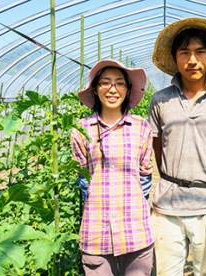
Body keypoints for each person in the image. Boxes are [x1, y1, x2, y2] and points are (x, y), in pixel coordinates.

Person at [149, 18, 206, 275]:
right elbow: (158, 147)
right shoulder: (160, 100)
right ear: (175, 58)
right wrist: (175, 174)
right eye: (185, 52)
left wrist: (202, 173)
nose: (192, 60)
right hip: (167, 205)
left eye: (200, 52)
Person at [71, 59, 154, 276]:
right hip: (96, 229)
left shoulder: (141, 127)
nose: (112, 89)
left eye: (120, 83)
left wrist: (131, 202)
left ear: (127, 90)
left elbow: (145, 175)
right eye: (105, 83)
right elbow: (83, 179)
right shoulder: (80, 129)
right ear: (96, 89)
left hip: (135, 228)